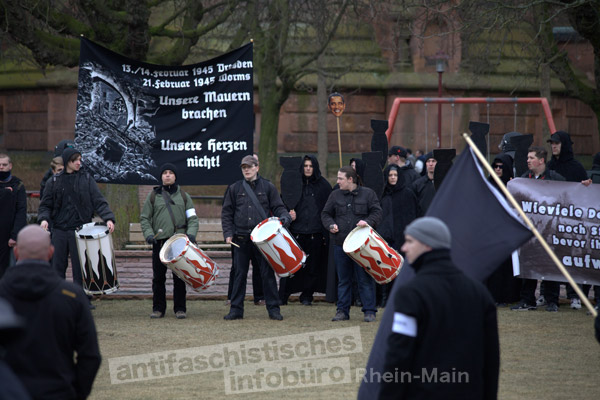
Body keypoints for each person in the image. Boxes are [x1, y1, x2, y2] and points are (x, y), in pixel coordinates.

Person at [379, 217, 499, 399]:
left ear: (428, 245)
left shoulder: (411, 293)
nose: (403, 248)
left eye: (410, 241)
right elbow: (491, 359)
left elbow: (399, 355)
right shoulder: (479, 292)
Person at [0, 225, 101, 400]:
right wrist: (75, 393)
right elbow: (90, 356)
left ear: (16, 252)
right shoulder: (72, 297)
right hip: (59, 391)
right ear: (51, 252)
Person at [37, 148, 115, 303]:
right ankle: (57, 299)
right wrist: (44, 219)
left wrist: (108, 218)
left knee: (81, 269)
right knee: (57, 267)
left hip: (80, 230)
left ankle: (81, 300)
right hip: (59, 230)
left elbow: (99, 201)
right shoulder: (54, 181)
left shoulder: (86, 179)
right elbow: (45, 205)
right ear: (67, 162)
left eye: (80, 159)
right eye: (75, 160)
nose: (79, 163)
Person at [221, 155, 291, 321]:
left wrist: (285, 218)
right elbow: (227, 213)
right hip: (240, 239)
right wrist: (228, 233)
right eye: (244, 167)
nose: (246, 169)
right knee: (239, 275)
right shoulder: (234, 188)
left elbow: (279, 207)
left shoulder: (268, 187)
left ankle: (274, 309)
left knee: (267, 275)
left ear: (257, 168)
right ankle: (236, 310)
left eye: (249, 167)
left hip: (262, 241)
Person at [321, 166, 382, 322]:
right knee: (343, 279)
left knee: (364, 279)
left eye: (340, 178)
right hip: (340, 244)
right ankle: (342, 311)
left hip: (362, 246)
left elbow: (377, 212)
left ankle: (369, 311)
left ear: (350, 179)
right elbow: (325, 214)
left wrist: (367, 222)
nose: (338, 181)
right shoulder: (335, 195)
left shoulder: (368, 194)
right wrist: (330, 225)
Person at [140, 163, 199, 319]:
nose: (167, 175)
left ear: (175, 176)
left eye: (170, 172)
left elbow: (192, 218)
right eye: (164, 172)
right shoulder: (153, 196)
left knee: (179, 277)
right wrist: (148, 234)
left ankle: (180, 309)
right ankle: (158, 309)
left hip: (179, 244)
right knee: (158, 278)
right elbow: (145, 218)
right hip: (159, 243)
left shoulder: (185, 197)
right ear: (161, 176)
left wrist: (191, 234)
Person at [511, 146, 564, 312]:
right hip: (529, 231)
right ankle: (528, 300)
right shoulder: (523, 179)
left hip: (549, 230)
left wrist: (585, 185)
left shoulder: (554, 178)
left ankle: (552, 300)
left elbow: (571, 192)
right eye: (527, 157)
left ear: (541, 161)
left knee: (550, 264)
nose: (528, 160)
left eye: (531, 157)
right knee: (528, 264)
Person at [546, 130, 593, 310]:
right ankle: (549, 295)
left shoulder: (576, 167)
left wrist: (586, 186)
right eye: (552, 143)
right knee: (552, 257)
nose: (554, 146)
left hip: (572, 222)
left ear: (564, 144)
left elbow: (586, 195)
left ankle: (574, 295)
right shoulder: (549, 166)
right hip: (553, 220)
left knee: (572, 257)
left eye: (557, 143)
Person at [279, 155, 332, 306]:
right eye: (305, 166)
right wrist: (288, 214)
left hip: (316, 233)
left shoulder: (323, 186)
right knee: (290, 266)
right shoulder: (293, 184)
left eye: (311, 166)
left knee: (313, 267)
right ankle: (283, 295)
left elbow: (328, 208)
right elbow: (281, 204)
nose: (308, 168)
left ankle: (307, 295)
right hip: (296, 232)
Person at [377, 164, 417, 307]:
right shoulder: (382, 194)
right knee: (385, 269)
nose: (393, 178)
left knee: (402, 270)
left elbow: (412, 215)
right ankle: (384, 298)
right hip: (385, 238)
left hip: (402, 238)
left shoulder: (407, 194)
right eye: (390, 175)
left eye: (395, 175)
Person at [486, 154, 520, 305]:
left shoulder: (513, 186)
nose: (498, 170)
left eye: (501, 166)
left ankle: (508, 296)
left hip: (508, 232)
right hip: (490, 232)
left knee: (507, 267)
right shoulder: (488, 184)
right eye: (495, 166)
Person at [0, 153, 27, 279]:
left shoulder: (18, 185)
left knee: (10, 270)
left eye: (4, 165)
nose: (1, 167)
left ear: (10, 166)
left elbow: (21, 211)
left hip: (9, 235)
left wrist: (15, 235)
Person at [411, 152, 436, 217]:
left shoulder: (443, 183)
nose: (431, 164)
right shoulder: (417, 184)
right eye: (428, 161)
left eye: (433, 161)